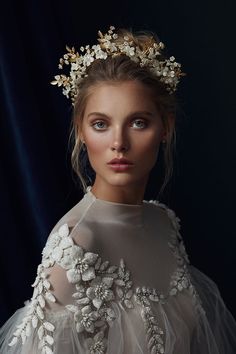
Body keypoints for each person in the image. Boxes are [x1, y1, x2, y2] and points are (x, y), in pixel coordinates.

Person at [0, 25, 235, 354]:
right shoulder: (77, 245)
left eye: (138, 122)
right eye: (101, 124)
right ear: (81, 131)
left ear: (165, 127)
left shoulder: (163, 223)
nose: (118, 143)